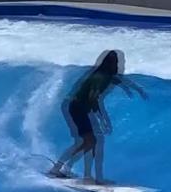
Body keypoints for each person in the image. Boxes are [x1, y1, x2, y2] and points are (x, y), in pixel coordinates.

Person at [48, 50, 147, 184]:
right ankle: (59, 169)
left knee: (89, 142)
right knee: (89, 141)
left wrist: (137, 89)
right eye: (115, 62)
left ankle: (63, 168)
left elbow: (119, 80)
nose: (117, 64)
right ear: (111, 63)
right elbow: (92, 99)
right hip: (77, 108)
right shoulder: (100, 78)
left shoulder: (106, 75)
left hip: (79, 107)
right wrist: (103, 120)